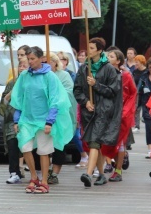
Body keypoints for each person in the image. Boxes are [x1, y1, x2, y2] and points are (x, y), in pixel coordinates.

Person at [11, 47, 73, 194]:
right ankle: (34, 177)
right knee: (25, 147)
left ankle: (44, 181)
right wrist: (16, 120)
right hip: (27, 118)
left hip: (43, 119)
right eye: (29, 59)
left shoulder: (50, 76)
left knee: (44, 151)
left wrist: (50, 122)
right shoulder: (24, 76)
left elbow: (55, 100)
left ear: (41, 59)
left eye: (33, 59)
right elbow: (18, 99)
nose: (30, 61)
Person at [74, 37, 122, 188]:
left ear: (100, 50)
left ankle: (88, 174)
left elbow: (113, 91)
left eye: (92, 48)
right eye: (88, 47)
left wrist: (96, 85)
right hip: (89, 111)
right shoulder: (83, 68)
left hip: (103, 111)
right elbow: (77, 89)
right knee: (93, 143)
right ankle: (101, 174)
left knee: (95, 142)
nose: (88, 50)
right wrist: (85, 102)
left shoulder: (109, 69)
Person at [103, 49, 136, 182]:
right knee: (107, 141)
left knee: (120, 142)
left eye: (111, 57)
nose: (108, 58)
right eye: (107, 56)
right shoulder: (104, 74)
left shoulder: (126, 76)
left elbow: (133, 94)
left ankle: (118, 170)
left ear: (118, 61)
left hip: (122, 114)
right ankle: (111, 164)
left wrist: (126, 111)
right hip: (107, 113)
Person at [47, 53, 77, 185]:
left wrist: (54, 95)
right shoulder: (41, 76)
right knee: (44, 144)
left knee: (59, 145)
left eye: (48, 61)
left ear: (55, 62)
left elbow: (69, 92)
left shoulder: (64, 75)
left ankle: (54, 173)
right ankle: (45, 169)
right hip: (43, 115)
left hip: (60, 116)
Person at [0, 58, 29, 184]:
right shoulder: (12, 83)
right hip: (12, 119)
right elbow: (2, 106)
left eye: (25, 66)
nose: (22, 68)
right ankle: (14, 172)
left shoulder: (33, 82)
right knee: (12, 143)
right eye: (20, 66)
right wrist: (9, 95)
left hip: (29, 119)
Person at [132, 55, 147, 132]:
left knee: (146, 108)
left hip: (145, 93)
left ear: (141, 62)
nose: (135, 63)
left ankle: (148, 122)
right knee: (137, 109)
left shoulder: (146, 71)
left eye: (137, 62)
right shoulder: (134, 72)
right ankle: (137, 126)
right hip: (137, 93)